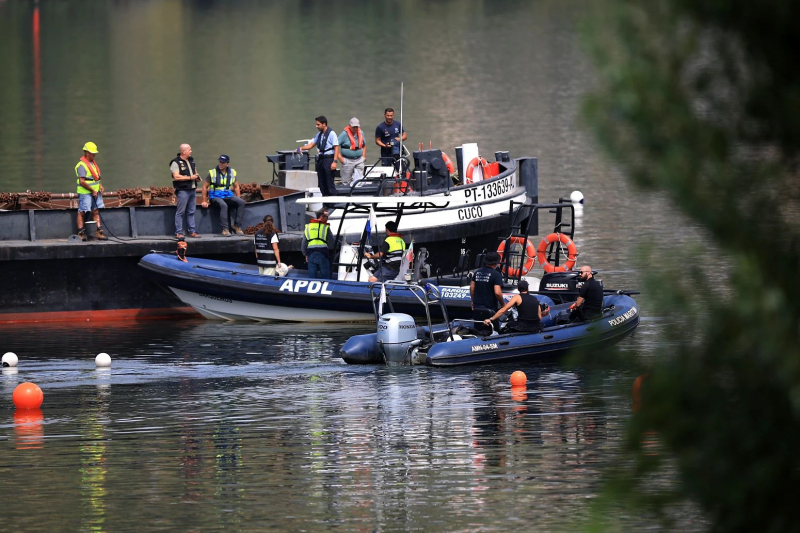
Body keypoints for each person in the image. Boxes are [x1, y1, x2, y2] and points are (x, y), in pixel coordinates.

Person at [201, 154, 246, 236]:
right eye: (220, 162)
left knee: (241, 202)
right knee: (223, 205)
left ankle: (237, 226)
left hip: (228, 195)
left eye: (223, 162)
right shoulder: (212, 173)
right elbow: (204, 187)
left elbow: (236, 186)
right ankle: (225, 229)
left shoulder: (232, 172)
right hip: (215, 196)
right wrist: (204, 201)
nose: (221, 164)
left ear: (227, 164)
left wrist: (238, 197)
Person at [483, 279, 549, 333]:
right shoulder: (535, 298)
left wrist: (491, 319)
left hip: (523, 326)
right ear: (527, 288)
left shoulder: (517, 297)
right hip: (536, 326)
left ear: (518, 289)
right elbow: (540, 317)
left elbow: (503, 310)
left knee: (509, 324)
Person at [298, 116, 340, 199]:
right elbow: (311, 145)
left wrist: (334, 161)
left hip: (329, 158)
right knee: (321, 182)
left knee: (329, 182)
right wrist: (301, 148)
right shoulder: (319, 134)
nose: (316, 126)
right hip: (321, 159)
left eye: (318, 124)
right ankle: (325, 206)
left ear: (324, 124)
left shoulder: (331, 134)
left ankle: (333, 204)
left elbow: (336, 147)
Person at [74, 141, 107, 241]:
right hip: (86, 193)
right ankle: (81, 233)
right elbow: (82, 182)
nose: (94, 155)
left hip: (95, 192)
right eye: (93, 153)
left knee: (96, 211)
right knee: (82, 212)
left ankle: (98, 232)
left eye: (95, 153)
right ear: (86, 152)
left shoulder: (93, 164)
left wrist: (100, 186)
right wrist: (92, 190)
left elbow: (96, 178)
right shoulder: (81, 166)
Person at [170, 143, 202, 239]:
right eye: (189, 149)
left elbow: (195, 172)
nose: (191, 151)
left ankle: (191, 231)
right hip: (183, 190)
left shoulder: (191, 161)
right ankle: (179, 232)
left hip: (192, 190)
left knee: (191, 211)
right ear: (183, 151)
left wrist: (197, 177)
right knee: (180, 212)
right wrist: (190, 177)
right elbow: (176, 176)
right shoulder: (175, 162)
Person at [470, 251, 505, 334]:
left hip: (477, 306)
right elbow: (497, 292)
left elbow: (472, 288)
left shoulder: (477, 272)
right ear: (496, 263)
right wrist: (503, 303)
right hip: (490, 307)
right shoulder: (496, 275)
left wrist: (473, 301)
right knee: (492, 330)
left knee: (478, 329)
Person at [302, 208, 333, 279]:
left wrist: (305, 254)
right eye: (327, 217)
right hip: (323, 254)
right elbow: (332, 242)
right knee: (325, 278)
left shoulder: (308, 227)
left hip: (311, 254)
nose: (327, 219)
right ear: (321, 216)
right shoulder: (325, 227)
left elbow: (304, 243)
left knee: (312, 278)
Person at [338, 117, 367, 186]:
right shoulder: (344, 134)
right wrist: (341, 159)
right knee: (346, 181)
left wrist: (363, 156)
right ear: (350, 126)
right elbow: (335, 146)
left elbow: (364, 145)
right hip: (347, 160)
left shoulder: (361, 133)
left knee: (359, 180)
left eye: (356, 127)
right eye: (353, 127)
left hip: (359, 160)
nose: (355, 129)